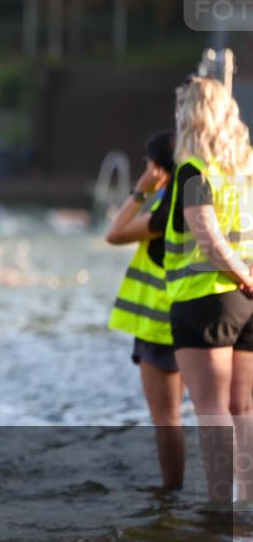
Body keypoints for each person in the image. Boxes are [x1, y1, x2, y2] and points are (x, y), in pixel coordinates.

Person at [163, 77, 253, 505]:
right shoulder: (246, 166)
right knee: (244, 409)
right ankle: (249, 503)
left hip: (207, 299)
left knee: (212, 409)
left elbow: (208, 238)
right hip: (248, 303)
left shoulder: (193, 170)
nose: (177, 115)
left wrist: (240, 273)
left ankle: (221, 506)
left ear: (192, 114)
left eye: (182, 107)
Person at [105, 131, 186, 490]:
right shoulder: (200, 197)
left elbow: (115, 232)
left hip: (159, 324)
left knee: (166, 418)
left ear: (156, 168)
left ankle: (171, 492)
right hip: (197, 316)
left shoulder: (166, 208)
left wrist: (140, 190)